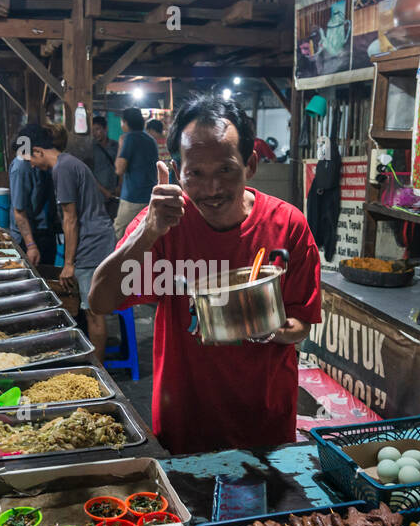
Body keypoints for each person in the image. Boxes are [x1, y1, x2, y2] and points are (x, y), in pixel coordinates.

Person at [89, 92, 322, 456]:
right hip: (185, 426)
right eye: (195, 173)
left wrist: (266, 327)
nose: (212, 189)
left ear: (250, 164)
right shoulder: (164, 226)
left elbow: (301, 324)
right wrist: (147, 232)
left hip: (265, 426)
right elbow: (100, 301)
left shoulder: (287, 225)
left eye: (226, 170)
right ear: (177, 171)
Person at [20, 123, 114, 356]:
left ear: (38, 151)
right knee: (89, 310)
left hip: (93, 244)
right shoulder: (68, 163)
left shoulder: (62, 169)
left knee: (93, 313)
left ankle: (98, 369)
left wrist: (69, 263)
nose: (31, 165)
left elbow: (70, 219)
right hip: (94, 240)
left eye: (30, 159)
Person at [9, 130, 58, 267]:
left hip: (46, 231)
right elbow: (19, 211)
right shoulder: (21, 167)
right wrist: (31, 246)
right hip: (29, 237)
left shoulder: (46, 163)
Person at [113, 106, 159, 239]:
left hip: (133, 197)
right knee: (144, 233)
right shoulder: (150, 140)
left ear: (126, 122)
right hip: (149, 196)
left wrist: (121, 145)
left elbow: (119, 169)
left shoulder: (129, 138)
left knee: (120, 233)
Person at [89, 115, 120, 218]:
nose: (95, 133)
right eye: (93, 130)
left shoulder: (116, 146)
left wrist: (119, 186)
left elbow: (122, 169)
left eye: (97, 129)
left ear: (105, 128)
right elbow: (90, 174)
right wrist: (104, 191)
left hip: (115, 193)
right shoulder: (90, 149)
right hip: (98, 194)